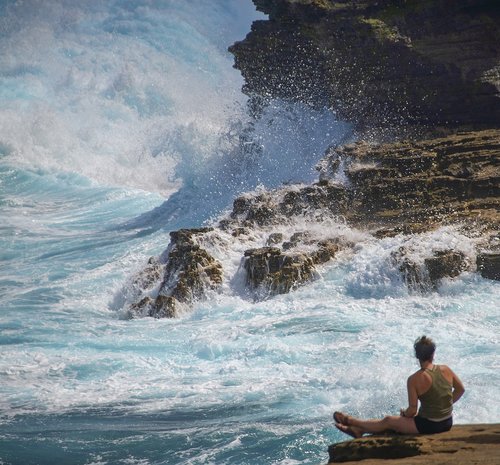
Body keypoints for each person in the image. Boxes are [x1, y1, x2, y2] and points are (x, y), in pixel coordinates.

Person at [334, 335, 465, 438]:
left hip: (429, 426)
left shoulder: (414, 379)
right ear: (433, 354)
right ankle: (359, 430)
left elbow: (412, 411)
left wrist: (405, 414)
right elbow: (460, 390)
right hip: (447, 422)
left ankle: (352, 422)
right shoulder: (446, 369)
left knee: (389, 421)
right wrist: (444, 404)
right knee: (394, 424)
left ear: (417, 355)